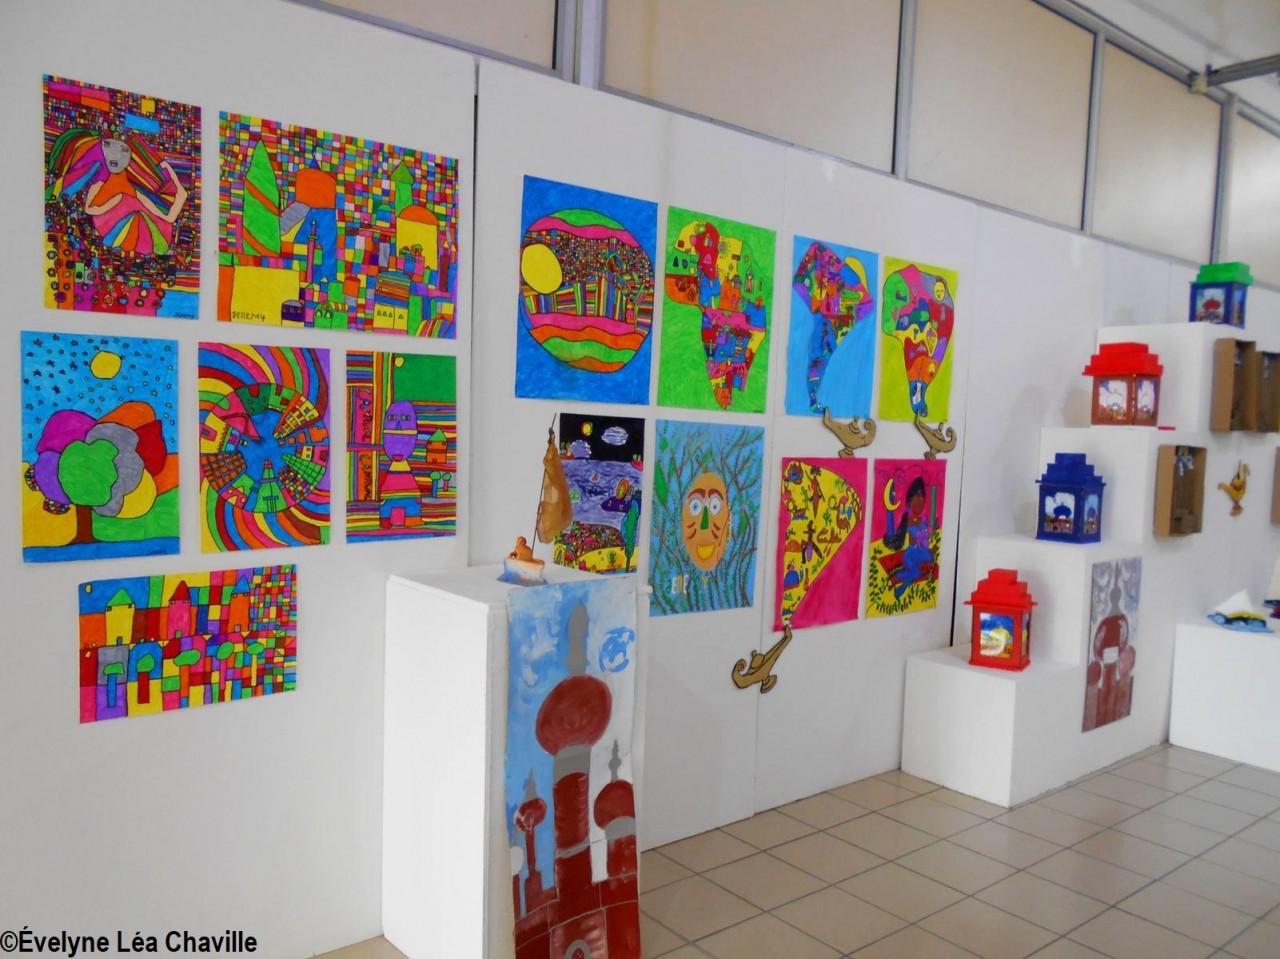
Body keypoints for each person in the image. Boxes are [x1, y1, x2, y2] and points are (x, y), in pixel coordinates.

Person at [48, 129, 188, 255]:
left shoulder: (129, 185)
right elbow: (89, 208)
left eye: (124, 151)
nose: (117, 157)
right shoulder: (103, 178)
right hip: (113, 223)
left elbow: (168, 214)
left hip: (127, 219)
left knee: (164, 220)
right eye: (109, 147)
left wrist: (172, 175)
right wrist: (115, 201)